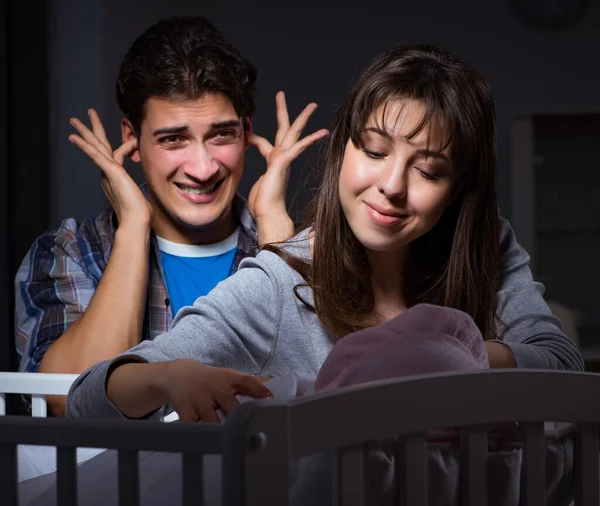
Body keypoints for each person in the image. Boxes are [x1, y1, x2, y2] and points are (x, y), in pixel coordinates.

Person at [65, 43, 583, 424]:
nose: (391, 187)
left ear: (457, 189)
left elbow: (559, 362)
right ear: (343, 152)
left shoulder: (487, 242)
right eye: (374, 152)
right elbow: (89, 398)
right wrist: (164, 376)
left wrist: (441, 354)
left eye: (427, 170)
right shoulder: (280, 282)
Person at [14, 16, 328, 416]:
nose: (202, 168)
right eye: (172, 139)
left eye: (221, 135)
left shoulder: (295, 243)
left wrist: (274, 225)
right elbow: (72, 402)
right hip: (119, 481)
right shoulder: (71, 250)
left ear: (247, 132)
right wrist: (132, 229)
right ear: (133, 140)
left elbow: (319, 389)